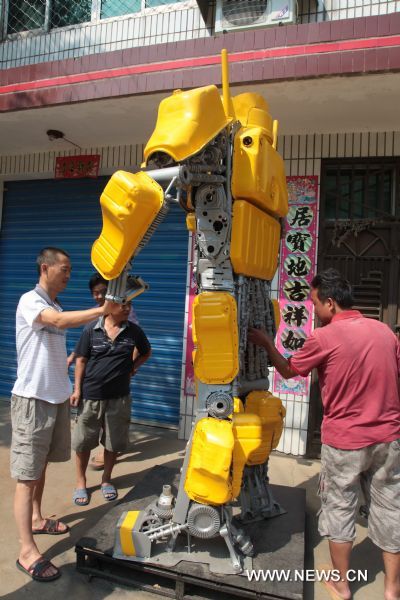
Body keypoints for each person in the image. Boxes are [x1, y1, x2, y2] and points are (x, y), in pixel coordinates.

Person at [248, 268, 400, 600]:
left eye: (316, 303)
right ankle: (392, 590)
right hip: (388, 439)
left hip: (345, 441)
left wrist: (266, 343)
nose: (314, 310)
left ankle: (342, 586)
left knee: (339, 509)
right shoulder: (386, 332)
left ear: (330, 303)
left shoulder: (325, 337)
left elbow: (290, 370)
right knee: (390, 509)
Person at [11, 247, 112, 583]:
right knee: (27, 477)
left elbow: (57, 332)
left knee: (40, 467)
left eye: (70, 270)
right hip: (32, 401)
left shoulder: (55, 305)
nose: (69, 275)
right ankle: (27, 551)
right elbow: (55, 323)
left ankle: (38, 519)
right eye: (64, 269)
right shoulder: (32, 301)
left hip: (54, 399)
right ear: (46, 268)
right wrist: (101, 309)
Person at [70, 299, 151, 506]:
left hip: (119, 397)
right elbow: (81, 360)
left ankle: (106, 479)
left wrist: (133, 367)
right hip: (91, 396)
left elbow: (146, 351)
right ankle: (81, 483)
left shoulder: (134, 331)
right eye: (122, 304)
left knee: (113, 442)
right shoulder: (91, 329)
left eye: (129, 304)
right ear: (110, 307)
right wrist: (77, 389)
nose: (127, 308)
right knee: (83, 442)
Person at [68, 272, 139, 470]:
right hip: (94, 379)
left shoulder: (124, 310)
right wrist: (73, 357)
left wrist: (131, 367)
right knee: (94, 417)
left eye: (102, 292)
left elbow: (136, 343)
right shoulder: (96, 313)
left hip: (117, 373)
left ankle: (105, 450)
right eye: (94, 293)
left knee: (113, 415)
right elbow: (85, 344)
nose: (98, 296)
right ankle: (101, 447)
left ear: (111, 293)